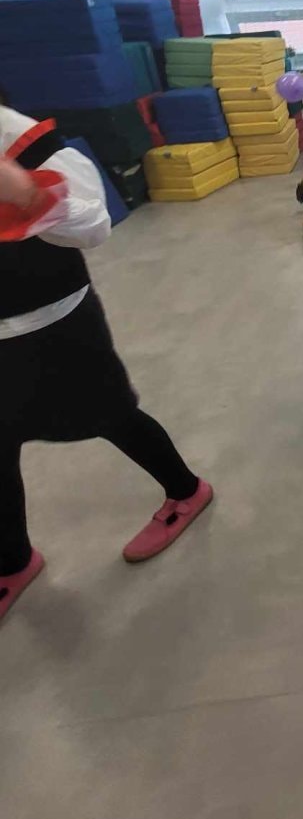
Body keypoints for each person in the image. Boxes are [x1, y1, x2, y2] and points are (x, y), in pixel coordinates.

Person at [0, 100, 213, 626]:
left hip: (52, 322)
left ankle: (186, 490)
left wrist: (30, 196)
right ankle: (12, 560)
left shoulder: (18, 136)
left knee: (111, 415)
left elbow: (93, 225)